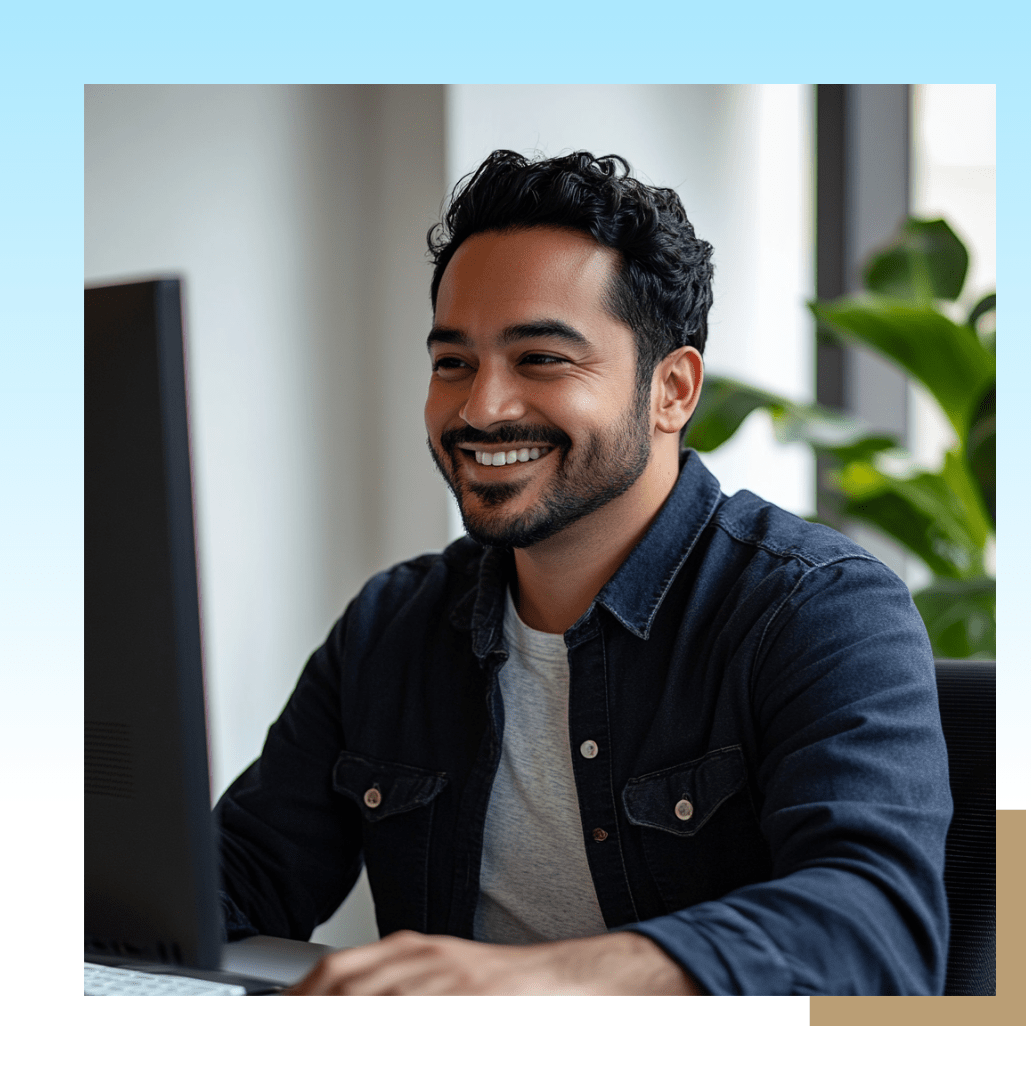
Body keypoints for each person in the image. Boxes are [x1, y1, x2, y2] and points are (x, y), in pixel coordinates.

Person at [214, 150, 952, 996]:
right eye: (453, 363)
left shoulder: (818, 607)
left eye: (542, 359)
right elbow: (235, 877)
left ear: (671, 389)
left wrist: (543, 983)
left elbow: (874, 931)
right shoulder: (394, 625)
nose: (481, 408)